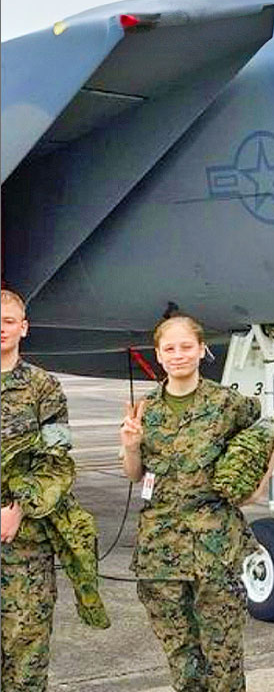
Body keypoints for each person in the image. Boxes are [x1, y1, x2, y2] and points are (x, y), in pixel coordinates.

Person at [120, 313, 274, 692]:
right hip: (161, 550)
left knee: (223, 656)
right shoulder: (147, 409)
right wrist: (130, 446)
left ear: (202, 349)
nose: (178, 355)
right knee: (181, 656)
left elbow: (268, 438)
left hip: (215, 547)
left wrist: (256, 489)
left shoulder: (228, 404)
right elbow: (135, 475)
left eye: (186, 347)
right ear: (158, 355)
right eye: (169, 349)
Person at [1, 288, 109, 691]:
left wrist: (19, 507)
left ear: (24, 328)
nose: (2, 329)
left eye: (9, 321)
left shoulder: (43, 388)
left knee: (27, 646)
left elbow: (58, 460)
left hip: (26, 540)